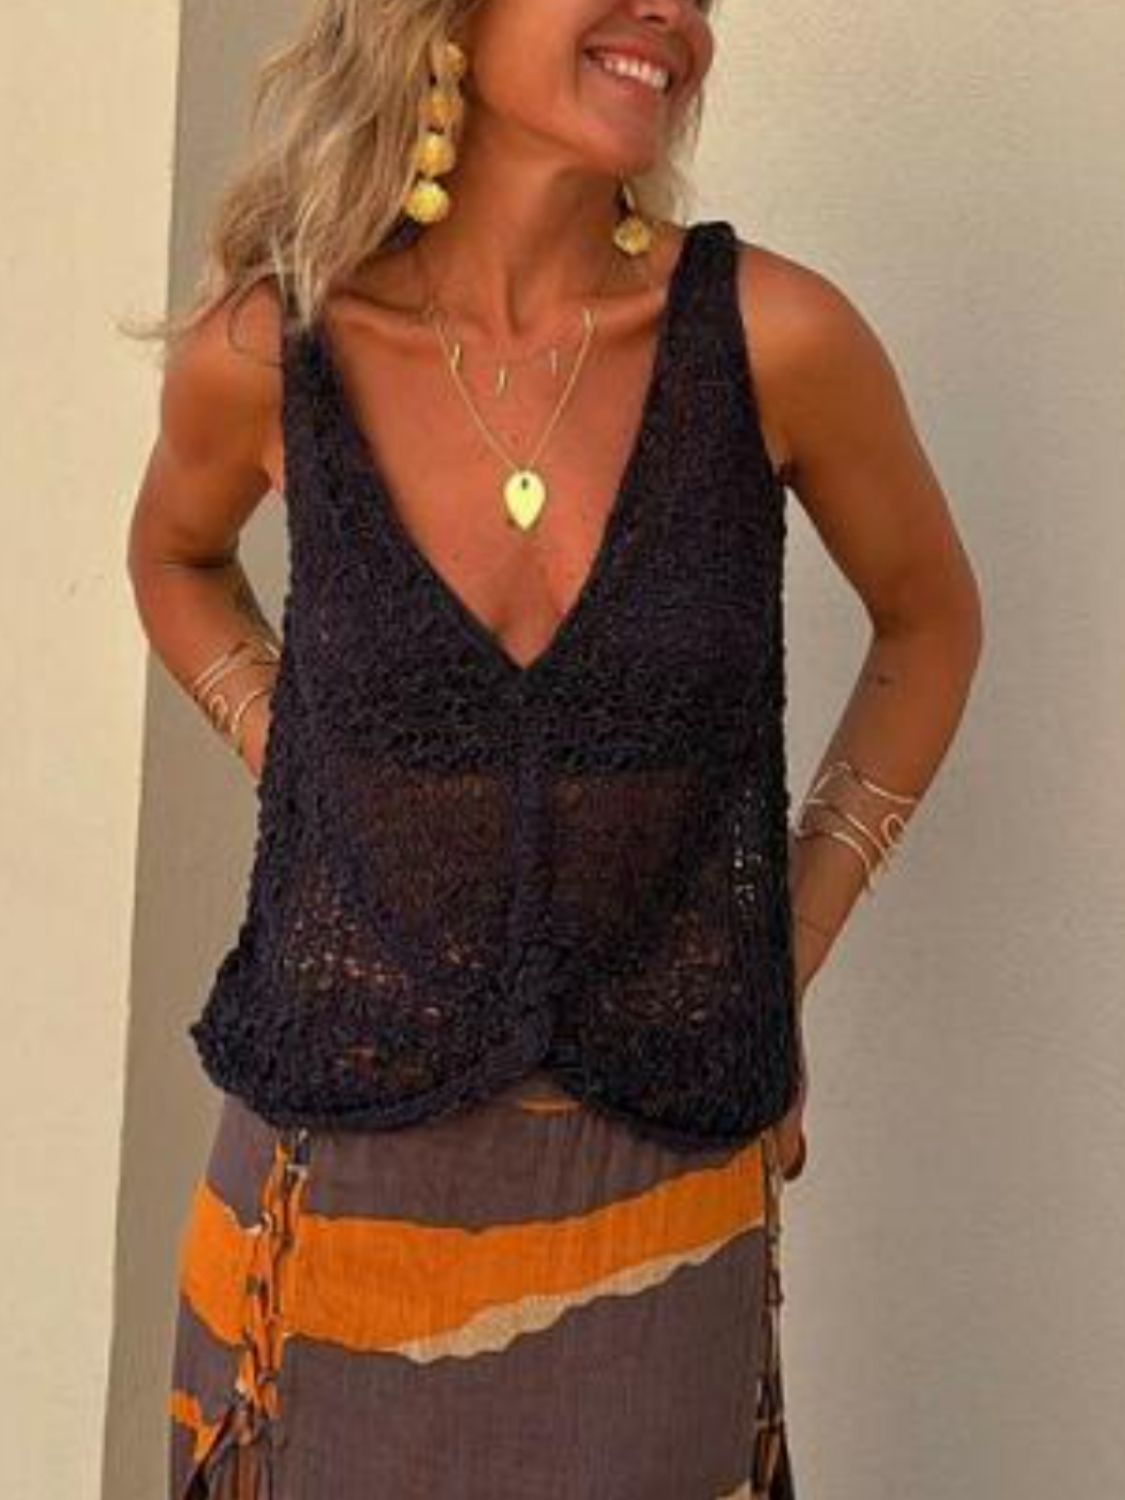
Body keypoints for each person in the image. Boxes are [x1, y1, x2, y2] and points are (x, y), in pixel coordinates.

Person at [125, 0, 983, 1495]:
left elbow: (930, 625)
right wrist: (308, 764)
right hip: (323, 1195)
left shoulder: (773, 339)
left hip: (653, 1194)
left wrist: (775, 951)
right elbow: (173, 561)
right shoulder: (278, 347)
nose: (676, 15)